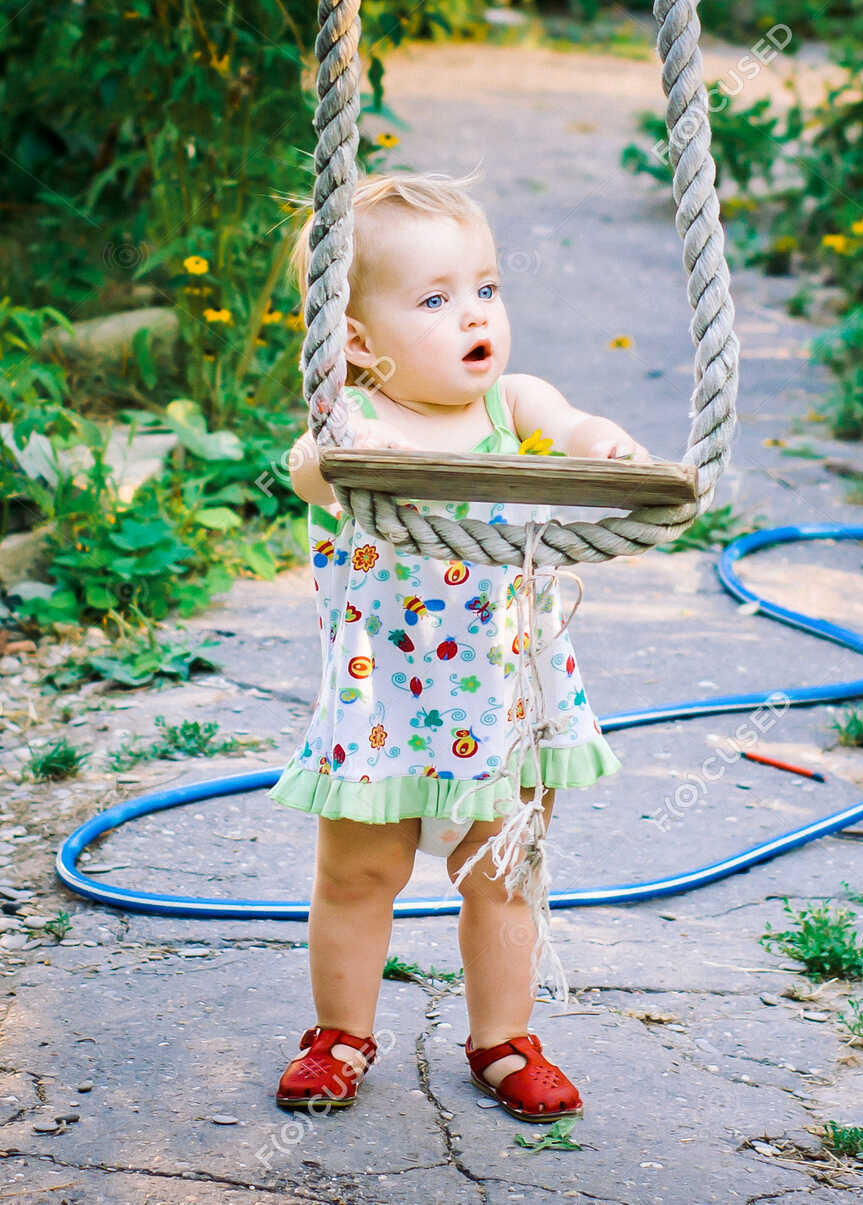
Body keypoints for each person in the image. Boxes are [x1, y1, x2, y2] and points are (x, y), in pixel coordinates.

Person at [268, 170, 645, 1123]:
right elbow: (312, 467)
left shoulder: (510, 405)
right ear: (355, 341)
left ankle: (503, 1039)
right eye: (436, 300)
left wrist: (606, 450)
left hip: (503, 701)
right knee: (358, 874)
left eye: (485, 287)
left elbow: (573, 427)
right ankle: (342, 1034)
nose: (476, 312)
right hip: (381, 703)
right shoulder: (356, 425)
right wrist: (344, 457)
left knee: (504, 871)